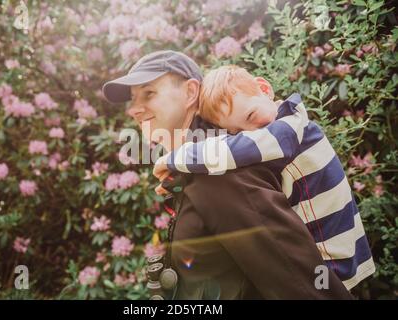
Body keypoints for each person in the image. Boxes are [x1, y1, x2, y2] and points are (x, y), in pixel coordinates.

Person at [102, 50, 353, 299]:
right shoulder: (199, 170)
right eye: (133, 99)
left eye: (149, 93)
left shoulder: (220, 174)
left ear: (190, 92)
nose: (134, 109)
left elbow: (303, 286)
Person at [152, 65, 375, 291]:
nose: (250, 132)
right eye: (237, 131)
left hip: (333, 264)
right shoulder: (284, 130)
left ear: (264, 89)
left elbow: (236, 150)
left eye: (250, 115)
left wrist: (174, 158)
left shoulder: (288, 129)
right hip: (341, 254)